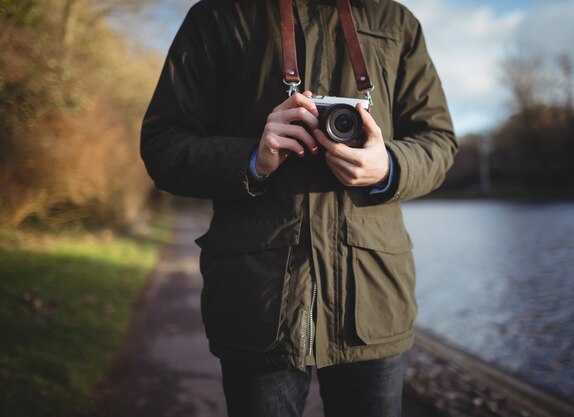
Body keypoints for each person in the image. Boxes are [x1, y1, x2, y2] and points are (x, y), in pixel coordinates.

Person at [141, 0, 457, 416]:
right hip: (255, 301)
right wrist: (253, 159)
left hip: (373, 302)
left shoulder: (394, 21)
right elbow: (163, 144)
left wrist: (388, 167)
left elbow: (438, 140)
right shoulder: (219, 15)